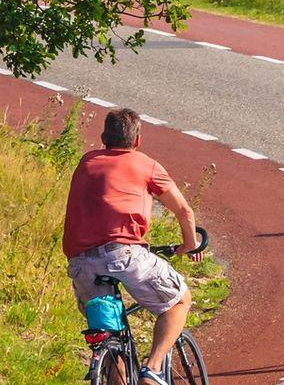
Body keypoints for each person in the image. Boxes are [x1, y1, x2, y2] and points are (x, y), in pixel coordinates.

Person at [64, 108, 202, 385]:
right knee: (178, 301)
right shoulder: (145, 164)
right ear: (137, 140)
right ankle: (152, 370)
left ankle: (113, 366)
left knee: (110, 336)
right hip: (124, 255)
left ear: (103, 137)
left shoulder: (86, 161)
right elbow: (184, 212)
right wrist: (190, 244)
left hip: (80, 263)